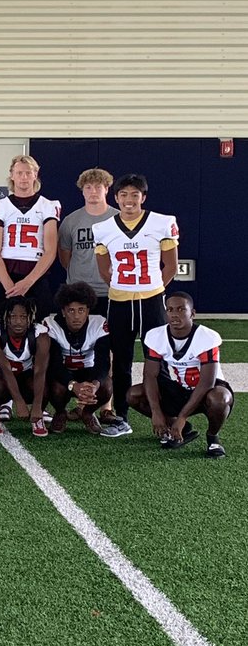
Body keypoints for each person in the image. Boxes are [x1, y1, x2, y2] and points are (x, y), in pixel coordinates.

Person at [92, 173, 179, 438]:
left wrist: (152, 289)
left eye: (134, 194)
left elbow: (171, 266)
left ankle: (169, 417)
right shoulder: (103, 228)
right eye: (123, 195)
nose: (129, 200)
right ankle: (122, 417)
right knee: (121, 362)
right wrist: (124, 287)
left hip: (152, 301)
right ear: (116, 197)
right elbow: (105, 271)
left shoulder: (162, 223)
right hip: (120, 302)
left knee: (159, 360)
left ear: (143, 197)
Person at [128, 291, 233, 459]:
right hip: (181, 388)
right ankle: (177, 428)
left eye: (181, 309)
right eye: (170, 309)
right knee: (134, 394)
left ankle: (213, 437)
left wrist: (182, 416)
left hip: (208, 392)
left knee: (220, 398)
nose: (174, 314)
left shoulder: (206, 337)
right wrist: (156, 412)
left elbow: (207, 382)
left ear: (192, 313)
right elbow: (150, 375)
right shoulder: (157, 336)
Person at [30, 283, 112, 437]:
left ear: (88, 310)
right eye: (71, 310)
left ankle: (87, 413)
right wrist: (73, 385)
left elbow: (103, 362)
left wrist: (94, 386)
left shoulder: (99, 324)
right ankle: (60, 412)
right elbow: (53, 364)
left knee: (106, 386)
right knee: (55, 388)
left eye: (81, 310)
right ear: (63, 311)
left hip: (88, 371)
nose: (76, 316)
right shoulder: (51, 324)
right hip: (62, 372)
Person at [0, 154, 60, 321]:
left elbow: (50, 250)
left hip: (36, 273)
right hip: (7, 272)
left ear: (35, 174)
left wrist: (28, 282)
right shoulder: (0, 206)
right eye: (19, 173)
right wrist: (8, 285)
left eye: (28, 172)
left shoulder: (48, 206)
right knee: (2, 326)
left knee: (39, 326)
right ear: (12, 175)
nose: (24, 177)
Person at [57, 168, 116, 318]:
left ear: (106, 189)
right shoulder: (71, 221)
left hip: (112, 290)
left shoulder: (119, 218)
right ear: (82, 191)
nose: (93, 191)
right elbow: (65, 257)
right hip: (78, 292)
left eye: (98, 187)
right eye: (88, 187)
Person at [0, 297, 46, 437]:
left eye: (23, 317)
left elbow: (40, 369)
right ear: (6, 318)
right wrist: (18, 401)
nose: (18, 321)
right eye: (13, 316)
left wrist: (37, 405)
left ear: (29, 318)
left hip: (25, 376)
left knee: (44, 383)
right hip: (1, 377)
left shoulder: (40, 333)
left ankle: (38, 416)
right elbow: (5, 368)